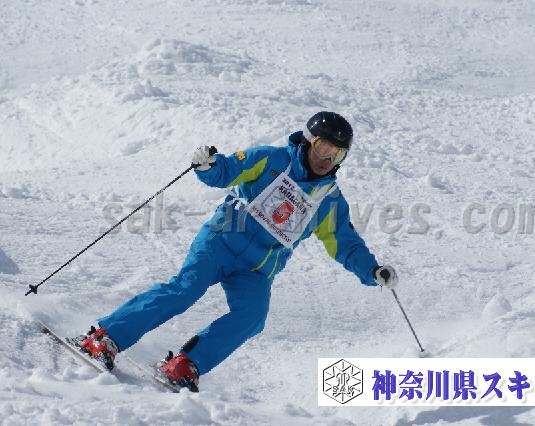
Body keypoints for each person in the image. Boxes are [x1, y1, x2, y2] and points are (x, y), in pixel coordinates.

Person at [75, 111, 399, 391]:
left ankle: (185, 364)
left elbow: (345, 242)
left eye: (337, 154)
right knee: (186, 290)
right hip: (220, 242)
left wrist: (372, 271)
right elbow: (227, 170)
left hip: (256, 269)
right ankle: (104, 336)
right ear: (308, 141)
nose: (326, 159)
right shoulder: (271, 160)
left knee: (253, 317)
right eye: (323, 148)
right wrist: (208, 165)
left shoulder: (328, 199)